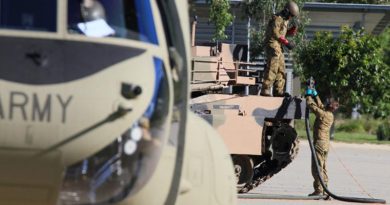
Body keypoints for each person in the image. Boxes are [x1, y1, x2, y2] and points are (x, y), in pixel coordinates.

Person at [305, 86, 339, 198]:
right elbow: (320, 106)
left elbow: (312, 106)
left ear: (330, 107)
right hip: (324, 144)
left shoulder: (324, 115)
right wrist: (316, 95)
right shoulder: (328, 114)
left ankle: (321, 189)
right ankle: (323, 189)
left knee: (317, 167)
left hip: (319, 144)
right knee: (322, 166)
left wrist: (308, 95)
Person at [260, 1, 299, 97]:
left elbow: (282, 34)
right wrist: (287, 42)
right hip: (272, 43)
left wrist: (291, 31)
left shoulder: (285, 20)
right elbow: (275, 33)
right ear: (286, 12)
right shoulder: (277, 18)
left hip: (278, 44)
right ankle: (266, 88)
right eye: (291, 15)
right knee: (274, 63)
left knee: (281, 67)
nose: (291, 18)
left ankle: (278, 91)